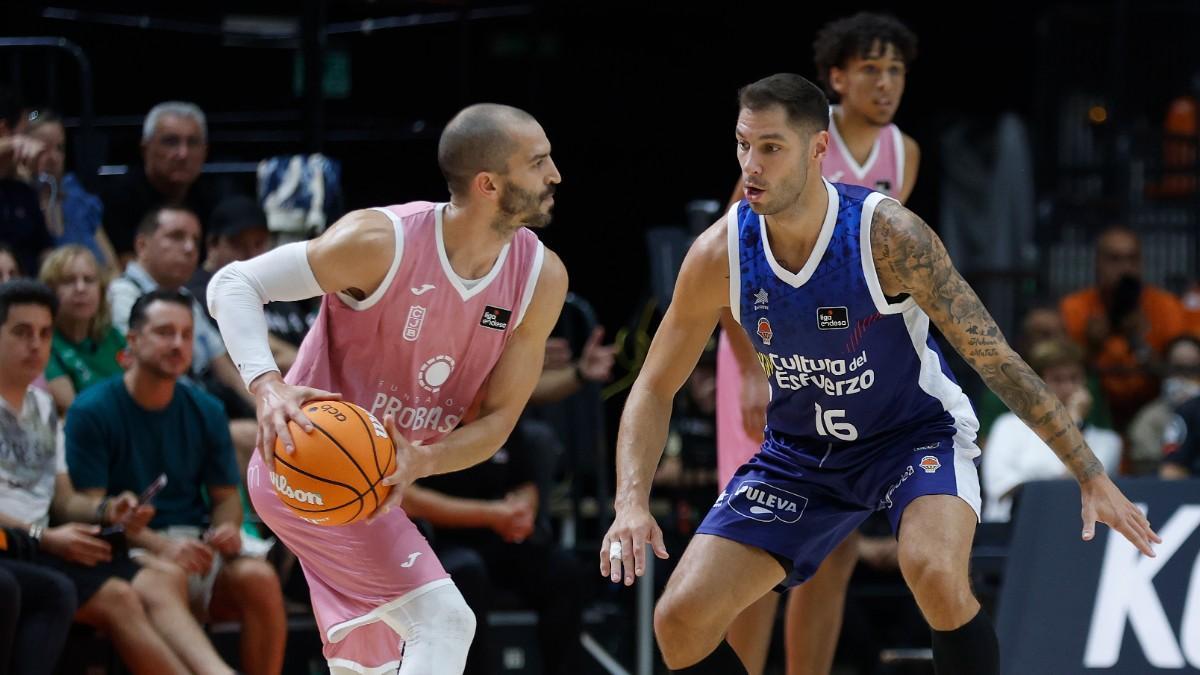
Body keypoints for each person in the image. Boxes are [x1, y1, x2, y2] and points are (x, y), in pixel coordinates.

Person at [599, 73, 1159, 675]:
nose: (751, 165)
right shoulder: (719, 252)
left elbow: (994, 355)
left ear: (817, 149)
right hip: (801, 452)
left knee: (935, 575)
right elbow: (654, 385)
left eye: (771, 147)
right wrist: (630, 501)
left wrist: (1090, 473)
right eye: (743, 145)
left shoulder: (887, 235)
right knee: (679, 621)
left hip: (912, 436)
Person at [207, 103, 568, 674]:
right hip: (305, 463)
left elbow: (497, 424)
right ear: (489, 183)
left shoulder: (540, 278)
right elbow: (234, 283)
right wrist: (268, 387)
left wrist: (421, 459)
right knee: (447, 621)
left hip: (375, 484)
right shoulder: (381, 241)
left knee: (373, 668)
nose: (555, 175)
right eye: (540, 161)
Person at [717, 13, 920, 673]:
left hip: (843, 361)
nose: (885, 82)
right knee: (758, 540)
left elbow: (877, 274)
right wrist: (750, 369)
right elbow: (727, 260)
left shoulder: (903, 153)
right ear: (836, 76)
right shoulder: (793, 138)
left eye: (894, 69)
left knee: (836, 542)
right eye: (870, 69)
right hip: (769, 348)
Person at [0, 280, 235, 674]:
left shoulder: (42, 405)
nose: (36, 345)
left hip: (45, 542)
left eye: (44, 334)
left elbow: (64, 499)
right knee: (117, 597)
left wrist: (109, 508)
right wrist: (44, 537)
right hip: (18, 542)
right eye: (22, 333)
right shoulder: (87, 407)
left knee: (163, 578)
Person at [65, 290, 285, 674]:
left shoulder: (207, 409)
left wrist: (227, 528)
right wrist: (160, 545)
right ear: (132, 341)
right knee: (169, 579)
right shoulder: (92, 409)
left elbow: (226, 498)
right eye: (165, 332)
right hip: (130, 548)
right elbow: (93, 512)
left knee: (259, 579)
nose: (178, 344)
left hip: (194, 543)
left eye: (186, 334)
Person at [1059, 226, 1187, 429]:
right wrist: (1091, 346)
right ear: (1097, 264)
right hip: (1094, 409)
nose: (1125, 268)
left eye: (1132, 259)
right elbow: (1061, 374)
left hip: (1151, 404)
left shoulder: (1166, 306)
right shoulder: (1075, 307)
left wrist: (1140, 344)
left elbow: (1179, 374)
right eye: (1114, 259)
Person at [981, 339, 1121, 521]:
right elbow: (1000, 489)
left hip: (1072, 529)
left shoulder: (1108, 441)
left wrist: (1073, 424)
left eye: (1074, 378)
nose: (1068, 388)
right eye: (1057, 380)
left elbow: (1075, 488)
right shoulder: (1008, 426)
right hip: (1009, 532)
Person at [100, 101, 222, 263]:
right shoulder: (115, 199)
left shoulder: (216, 199)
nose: (182, 154)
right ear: (145, 148)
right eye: (171, 142)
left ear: (205, 151)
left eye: (192, 142)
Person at [22, 110, 119, 271]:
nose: (54, 158)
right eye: (43, 149)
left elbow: (112, 267)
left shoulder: (80, 200)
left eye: (59, 148)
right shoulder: (17, 208)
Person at [38, 245, 126, 414]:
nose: (81, 288)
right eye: (69, 281)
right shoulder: (44, 342)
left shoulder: (113, 337)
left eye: (89, 280)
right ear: (50, 291)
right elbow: (71, 406)